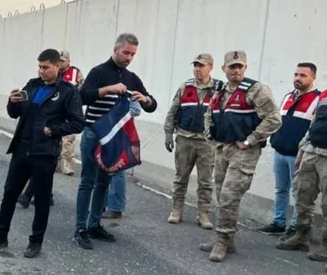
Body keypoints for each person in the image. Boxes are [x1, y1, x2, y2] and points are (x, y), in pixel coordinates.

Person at [0, 49, 85, 258]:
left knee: (43, 199)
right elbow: (14, 113)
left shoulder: (67, 91)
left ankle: (35, 241)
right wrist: (12, 101)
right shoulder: (32, 85)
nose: (41, 71)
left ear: (57, 66)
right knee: (9, 194)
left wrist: (53, 131)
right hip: (22, 148)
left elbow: (78, 123)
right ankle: (1, 235)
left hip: (44, 153)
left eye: (46, 67)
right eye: (39, 66)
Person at [73, 33, 157, 250]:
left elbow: (151, 104)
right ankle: (80, 228)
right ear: (115, 49)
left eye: (133, 54)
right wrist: (107, 90)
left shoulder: (132, 78)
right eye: (126, 52)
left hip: (115, 138)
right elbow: (81, 97)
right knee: (87, 181)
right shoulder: (99, 72)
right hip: (94, 133)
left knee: (104, 182)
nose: (129, 57)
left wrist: (145, 100)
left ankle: (94, 224)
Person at [199, 50, 282, 262]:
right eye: (232, 66)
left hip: (244, 152)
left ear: (245, 68)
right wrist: (210, 135)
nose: (236, 70)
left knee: (229, 197)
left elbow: (274, 119)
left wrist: (250, 140)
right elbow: (210, 114)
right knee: (221, 195)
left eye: (240, 66)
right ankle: (228, 240)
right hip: (222, 149)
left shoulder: (256, 90)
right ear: (224, 69)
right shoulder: (220, 91)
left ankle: (221, 241)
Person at [258, 63, 320, 239]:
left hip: (299, 156)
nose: (298, 78)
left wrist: (303, 151)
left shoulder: (317, 100)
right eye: (296, 74)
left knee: (299, 193)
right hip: (280, 152)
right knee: (281, 190)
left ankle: (295, 228)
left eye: (303, 75)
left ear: (313, 78)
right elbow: (276, 122)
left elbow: (312, 130)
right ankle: (279, 223)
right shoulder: (288, 97)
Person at [163, 53, 224, 228]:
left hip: (206, 142)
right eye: (195, 65)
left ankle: (203, 215)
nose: (197, 69)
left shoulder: (219, 89)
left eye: (201, 65)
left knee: (205, 181)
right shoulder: (185, 87)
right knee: (180, 177)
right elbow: (173, 110)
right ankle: (176, 210)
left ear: (210, 67)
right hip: (184, 138)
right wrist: (168, 133)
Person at [17, 51, 84, 208]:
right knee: (45, 162)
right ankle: (37, 194)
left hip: (65, 118)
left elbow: (81, 93)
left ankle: (40, 191)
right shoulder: (39, 81)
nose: (42, 70)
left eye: (64, 61)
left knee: (60, 153)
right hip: (49, 122)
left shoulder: (75, 74)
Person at [276, 89, 327, 260]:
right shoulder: (325, 95)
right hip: (312, 150)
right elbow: (314, 122)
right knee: (302, 194)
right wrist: (302, 148)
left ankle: (325, 247)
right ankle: (301, 236)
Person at [102, 100, 144, 220]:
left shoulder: (129, 85)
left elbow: (136, 110)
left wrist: (114, 116)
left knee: (117, 170)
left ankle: (115, 208)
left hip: (120, 132)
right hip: (105, 131)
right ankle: (101, 205)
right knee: (103, 168)